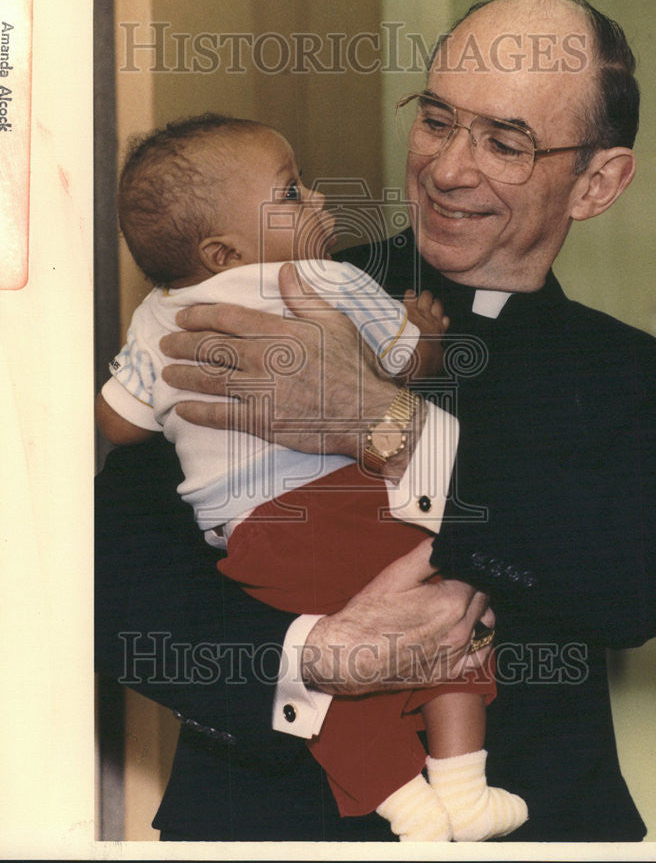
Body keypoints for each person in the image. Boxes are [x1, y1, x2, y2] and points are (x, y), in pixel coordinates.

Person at [95, 0, 656, 842]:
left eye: (505, 142)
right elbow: (110, 577)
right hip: (267, 828)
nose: (449, 167)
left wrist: (390, 424)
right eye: (436, 120)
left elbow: (635, 589)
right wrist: (309, 657)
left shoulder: (638, 379)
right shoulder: (262, 293)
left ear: (597, 181)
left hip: (540, 831)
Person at [95, 113, 528, 841]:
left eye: (506, 141)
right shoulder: (328, 280)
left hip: (249, 539)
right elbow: (407, 361)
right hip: (350, 509)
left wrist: (186, 409)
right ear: (225, 247)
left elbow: (117, 427)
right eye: (294, 192)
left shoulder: (155, 320)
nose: (320, 199)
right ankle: (462, 782)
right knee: (453, 625)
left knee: (343, 662)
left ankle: (404, 803)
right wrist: (421, 337)